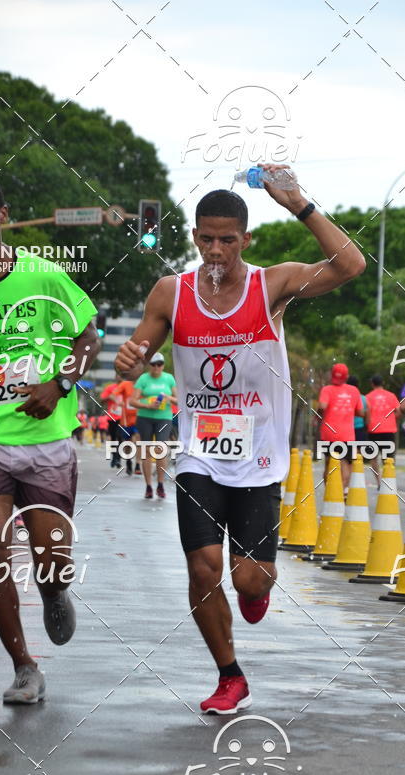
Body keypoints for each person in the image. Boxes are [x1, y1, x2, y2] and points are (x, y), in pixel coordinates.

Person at [114, 167, 366, 714]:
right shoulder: (171, 292)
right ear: (194, 237)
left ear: (245, 239)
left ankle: (255, 589)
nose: (216, 250)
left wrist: (298, 204)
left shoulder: (271, 285)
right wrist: (128, 360)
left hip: (260, 456)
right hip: (199, 453)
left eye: (227, 240)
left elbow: (351, 265)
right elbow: (134, 357)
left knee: (249, 579)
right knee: (202, 567)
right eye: (206, 239)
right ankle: (230, 675)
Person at [0, 172, 99, 703]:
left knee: (50, 559)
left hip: (45, 439)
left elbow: (87, 336)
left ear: (3, 216)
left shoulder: (43, 275)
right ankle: (24, 666)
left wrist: (59, 385)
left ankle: (54, 590)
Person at [130, 351, 177, 498]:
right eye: (153, 364)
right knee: (147, 450)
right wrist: (148, 405)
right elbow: (132, 401)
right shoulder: (143, 378)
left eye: (159, 364)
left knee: (160, 449)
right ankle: (148, 486)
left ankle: (160, 485)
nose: (156, 367)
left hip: (164, 417)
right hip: (145, 417)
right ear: (149, 365)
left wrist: (168, 397)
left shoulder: (169, 378)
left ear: (163, 365)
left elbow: (179, 400)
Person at [315, 363, 363, 491]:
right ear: (346, 376)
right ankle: (342, 492)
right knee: (345, 463)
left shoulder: (327, 389)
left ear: (332, 375)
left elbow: (322, 406)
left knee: (328, 463)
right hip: (347, 435)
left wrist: (318, 417)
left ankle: (329, 493)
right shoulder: (354, 391)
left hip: (329, 434)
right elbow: (360, 412)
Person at [365, 374, 400, 487]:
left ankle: (379, 481)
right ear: (382, 383)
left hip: (373, 430)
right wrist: (391, 419)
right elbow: (398, 411)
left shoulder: (368, 397)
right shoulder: (391, 396)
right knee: (389, 458)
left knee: (373, 458)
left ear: (372, 384)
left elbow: (366, 413)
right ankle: (388, 480)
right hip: (389, 430)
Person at [347, 374, 367, 444]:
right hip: (359, 428)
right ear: (358, 385)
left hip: (346, 429)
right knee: (359, 449)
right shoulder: (364, 398)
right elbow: (367, 413)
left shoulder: (344, 397)